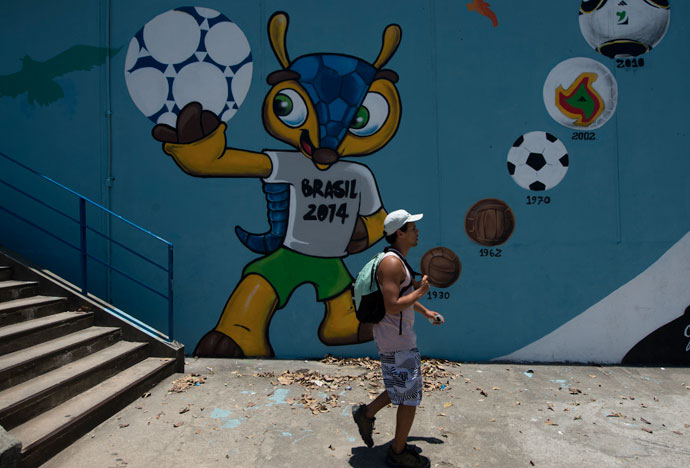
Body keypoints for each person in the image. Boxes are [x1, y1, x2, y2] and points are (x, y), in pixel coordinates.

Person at [352, 209, 445, 468]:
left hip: (396, 337)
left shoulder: (397, 260)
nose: (417, 232)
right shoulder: (392, 263)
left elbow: (401, 297)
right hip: (395, 339)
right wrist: (422, 293)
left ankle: (365, 413)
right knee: (409, 396)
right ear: (400, 233)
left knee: (400, 388)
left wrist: (425, 311)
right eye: (412, 228)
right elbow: (392, 305)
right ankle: (397, 452)